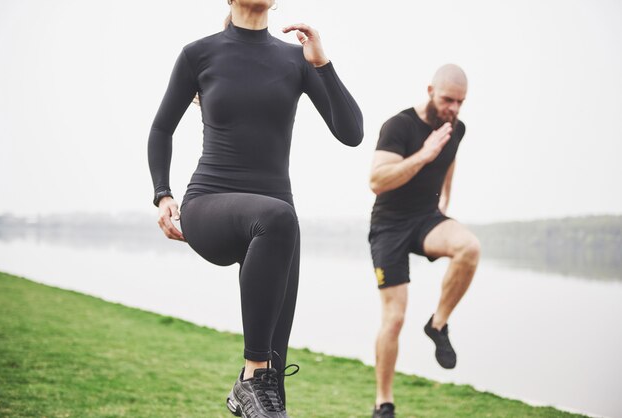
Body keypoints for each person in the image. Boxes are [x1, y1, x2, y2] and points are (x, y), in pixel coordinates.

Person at [147, 1, 363, 416]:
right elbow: (161, 128)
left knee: (273, 390)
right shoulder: (200, 53)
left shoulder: (295, 59)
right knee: (260, 370)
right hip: (209, 205)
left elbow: (351, 133)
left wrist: (322, 64)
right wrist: (163, 194)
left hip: (277, 227)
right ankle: (250, 376)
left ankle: (256, 385)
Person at [368, 64, 479, 418]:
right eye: (449, 99)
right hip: (389, 227)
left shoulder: (455, 128)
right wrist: (424, 155)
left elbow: (450, 159)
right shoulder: (398, 126)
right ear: (430, 90)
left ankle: (438, 323)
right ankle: (383, 402)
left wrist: (446, 199)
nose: (454, 109)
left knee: (469, 248)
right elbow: (377, 180)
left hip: (426, 219)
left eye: (461, 102)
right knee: (395, 318)